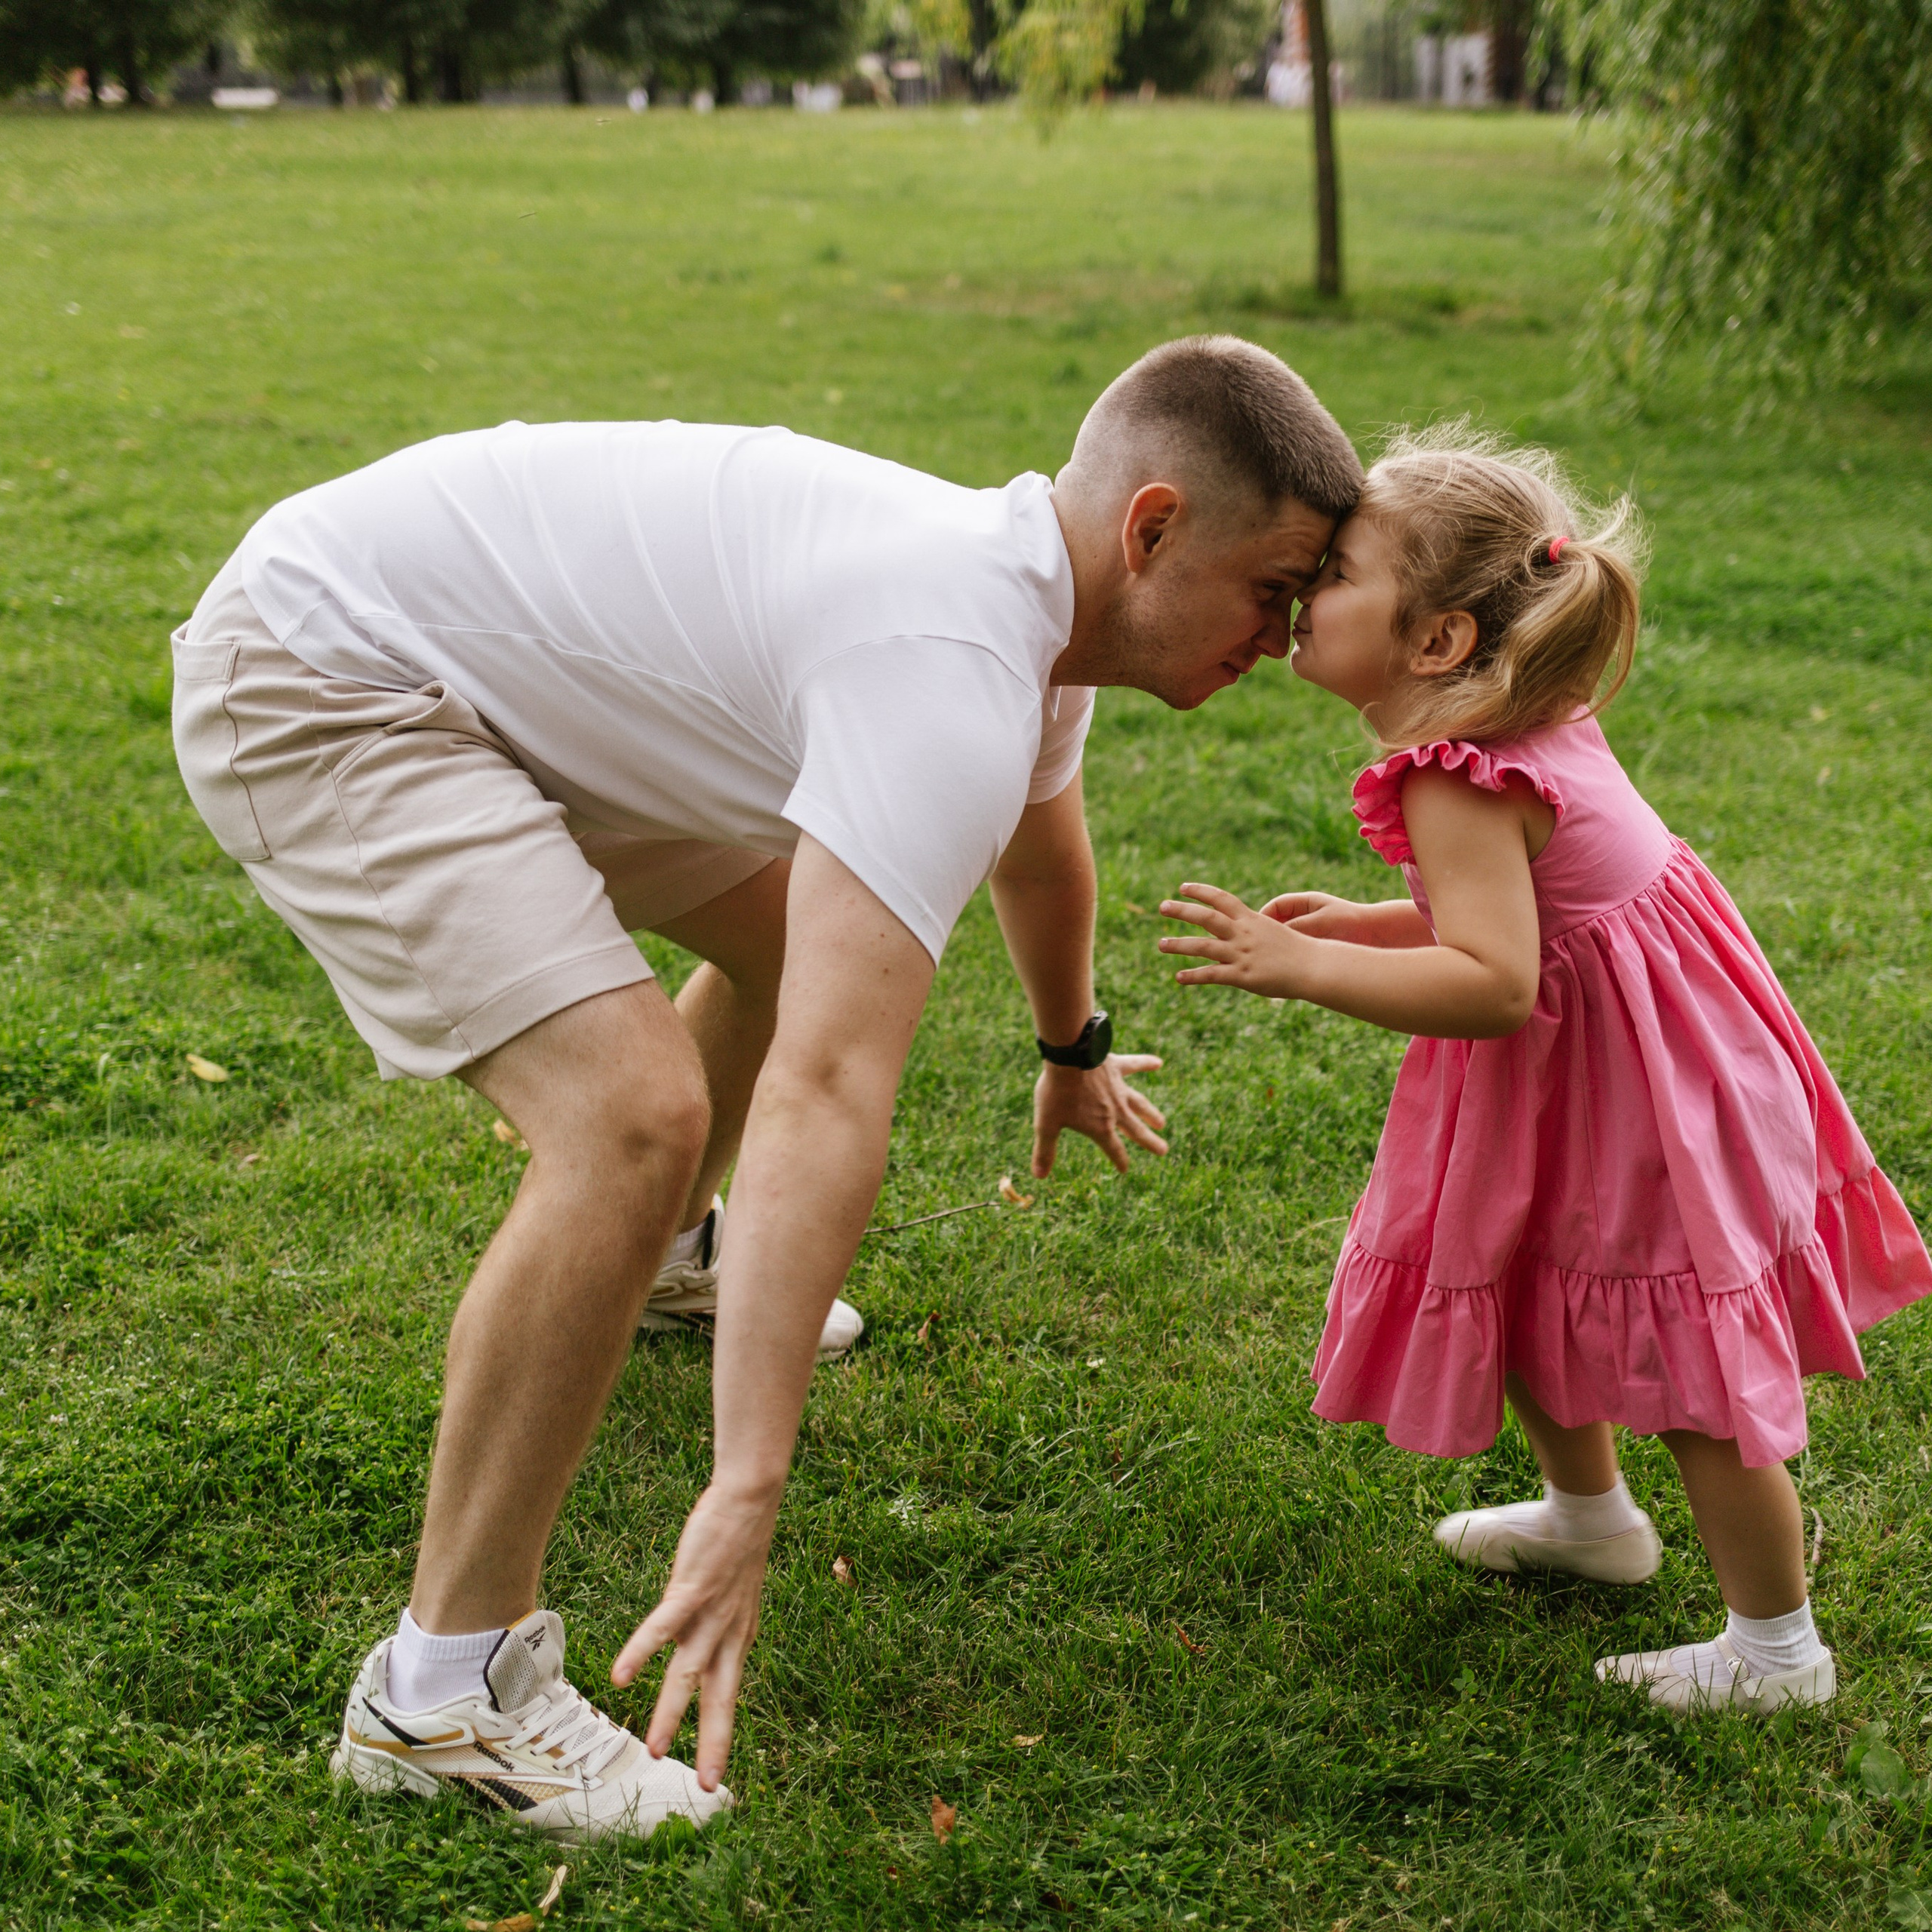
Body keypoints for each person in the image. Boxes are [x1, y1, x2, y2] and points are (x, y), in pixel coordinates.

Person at [170, 337, 1363, 1839]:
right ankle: (440, 1694)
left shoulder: (1032, 612)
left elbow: (1038, 846)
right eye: (1272, 587)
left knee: (782, 941)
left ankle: (665, 1256)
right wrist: (747, 1479)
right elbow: (825, 1088)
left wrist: (1070, 1045)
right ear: (1151, 529)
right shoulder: (948, 660)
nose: (1285, 632)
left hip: (455, 665)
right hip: (322, 671)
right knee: (629, 1111)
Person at [1157, 424, 1932, 1715]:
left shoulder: (1458, 778)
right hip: (1627, 1066)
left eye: (1336, 572)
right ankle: (1592, 1521)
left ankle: (1778, 1654)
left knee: (1687, 1377)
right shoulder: (1522, 719)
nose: (1302, 594)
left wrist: (1304, 970)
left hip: (1629, 1103)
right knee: (1518, 1276)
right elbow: (1521, 920)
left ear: (1439, 641)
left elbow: (1495, 981)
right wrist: (1368, 923)